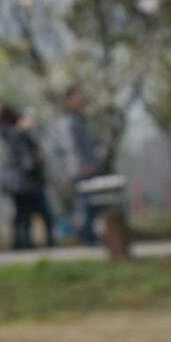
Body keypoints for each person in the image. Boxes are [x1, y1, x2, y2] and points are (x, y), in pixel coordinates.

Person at [0, 105, 56, 250]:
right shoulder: (10, 132)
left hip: (23, 180)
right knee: (30, 212)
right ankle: (24, 242)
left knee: (24, 213)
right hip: (24, 180)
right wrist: (23, 129)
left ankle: (23, 242)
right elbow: (23, 152)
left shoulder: (14, 132)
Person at [63, 85, 103, 246]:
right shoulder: (71, 122)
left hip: (90, 167)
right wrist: (83, 166)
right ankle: (86, 235)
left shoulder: (82, 119)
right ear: (69, 101)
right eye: (77, 96)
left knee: (93, 203)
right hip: (81, 169)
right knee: (86, 203)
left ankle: (87, 233)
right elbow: (73, 147)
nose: (81, 99)